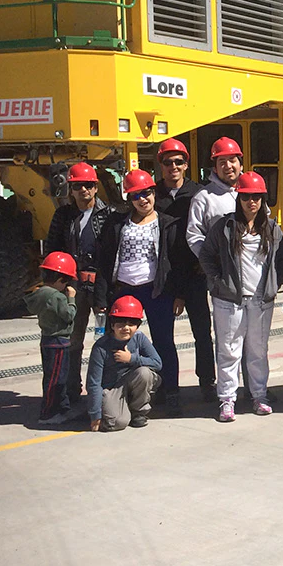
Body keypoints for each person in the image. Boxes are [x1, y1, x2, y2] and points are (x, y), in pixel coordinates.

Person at [95, 169, 191, 414]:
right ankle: (117, 391)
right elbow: (105, 261)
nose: (142, 199)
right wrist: (101, 296)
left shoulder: (167, 224)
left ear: (154, 193)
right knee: (118, 344)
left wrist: (179, 293)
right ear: (129, 198)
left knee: (163, 343)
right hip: (124, 291)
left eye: (146, 193)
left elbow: (178, 262)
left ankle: (170, 391)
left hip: (157, 290)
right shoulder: (117, 224)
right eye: (136, 195)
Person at [199, 171, 283, 422]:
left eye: (257, 197)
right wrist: (217, 282)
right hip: (229, 300)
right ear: (239, 198)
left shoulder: (271, 228)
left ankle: (259, 395)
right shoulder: (224, 227)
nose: (252, 202)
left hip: (260, 300)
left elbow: (279, 260)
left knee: (258, 350)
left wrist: (273, 285)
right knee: (229, 351)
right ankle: (227, 399)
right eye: (247, 196)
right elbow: (206, 256)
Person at [44, 161, 111, 407]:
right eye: (77, 186)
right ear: (70, 189)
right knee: (72, 340)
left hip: (101, 286)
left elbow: (114, 253)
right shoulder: (63, 216)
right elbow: (53, 250)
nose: (83, 190)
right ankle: (72, 390)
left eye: (88, 185)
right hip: (74, 286)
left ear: (95, 187)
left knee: (107, 338)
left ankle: (105, 389)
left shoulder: (109, 215)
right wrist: (56, 286)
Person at [153, 138, 215, 403]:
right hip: (165, 275)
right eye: (168, 163)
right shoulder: (152, 195)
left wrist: (206, 263)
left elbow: (212, 231)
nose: (174, 167)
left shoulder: (199, 194)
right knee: (163, 336)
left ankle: (207, 382)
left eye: (179, 162)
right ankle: (167, 385)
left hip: (194, 274)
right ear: (161, 166)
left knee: (202, 332)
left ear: (186, 164)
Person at [84, 296, 162, 432]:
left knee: (145, 373)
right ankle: (114, 409)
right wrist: (95, 414)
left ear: (137, 326)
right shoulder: (101, 347)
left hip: (131, 382)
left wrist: (131, 358)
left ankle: (138, 412)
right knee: (118, 423)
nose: (125, 328)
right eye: (120, 324)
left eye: (131, 324)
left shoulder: (139, 338)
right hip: (111, 388)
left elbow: (157, 363)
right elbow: (93, 383)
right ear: (112, 325)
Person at [25, 251, 80, 425]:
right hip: (58, 341)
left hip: (47, 340)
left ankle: (62, 408)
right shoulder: (56, 296)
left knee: (53, 376)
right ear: (60, 280)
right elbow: (69, 315)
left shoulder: (41, 293)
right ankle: (48, 413)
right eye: (66, 282)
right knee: (56, 379)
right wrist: (71, 299)